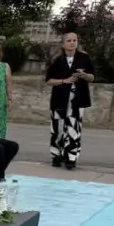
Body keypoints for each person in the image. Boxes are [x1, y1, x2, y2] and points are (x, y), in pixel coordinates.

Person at [43, 31, 95, 169]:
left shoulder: (84, 58)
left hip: (77, 100)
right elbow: (48, 81)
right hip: (59, 100)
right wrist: (64, 81)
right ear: (63, 44)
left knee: (73, 128)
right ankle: (56, 155)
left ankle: (71, 157)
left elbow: (93, 77)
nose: (72, 43)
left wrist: (83, 75)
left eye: (74, 40)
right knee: (58, 129)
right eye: (69, 40)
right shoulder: (57, 60)